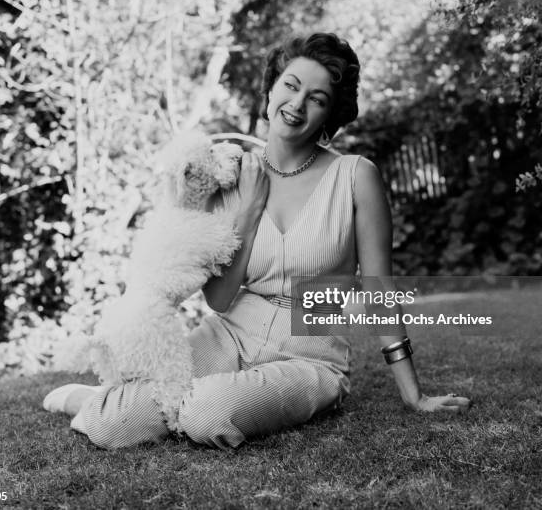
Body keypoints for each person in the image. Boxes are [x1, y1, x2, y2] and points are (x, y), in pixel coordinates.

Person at [43, 32, 471, 449]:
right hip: (230, 332)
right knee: (111, 427)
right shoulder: (229, 176)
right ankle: (95, 401)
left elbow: (379, 290)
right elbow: (220, 299)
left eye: (317, 99)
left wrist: (413, 393)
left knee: (206, 412)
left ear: (330, 116)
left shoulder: (356, 177)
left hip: (310, 356)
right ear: (271, 88)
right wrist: (247, 211)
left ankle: (157, 398)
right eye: (291, 85)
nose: (298, 104)